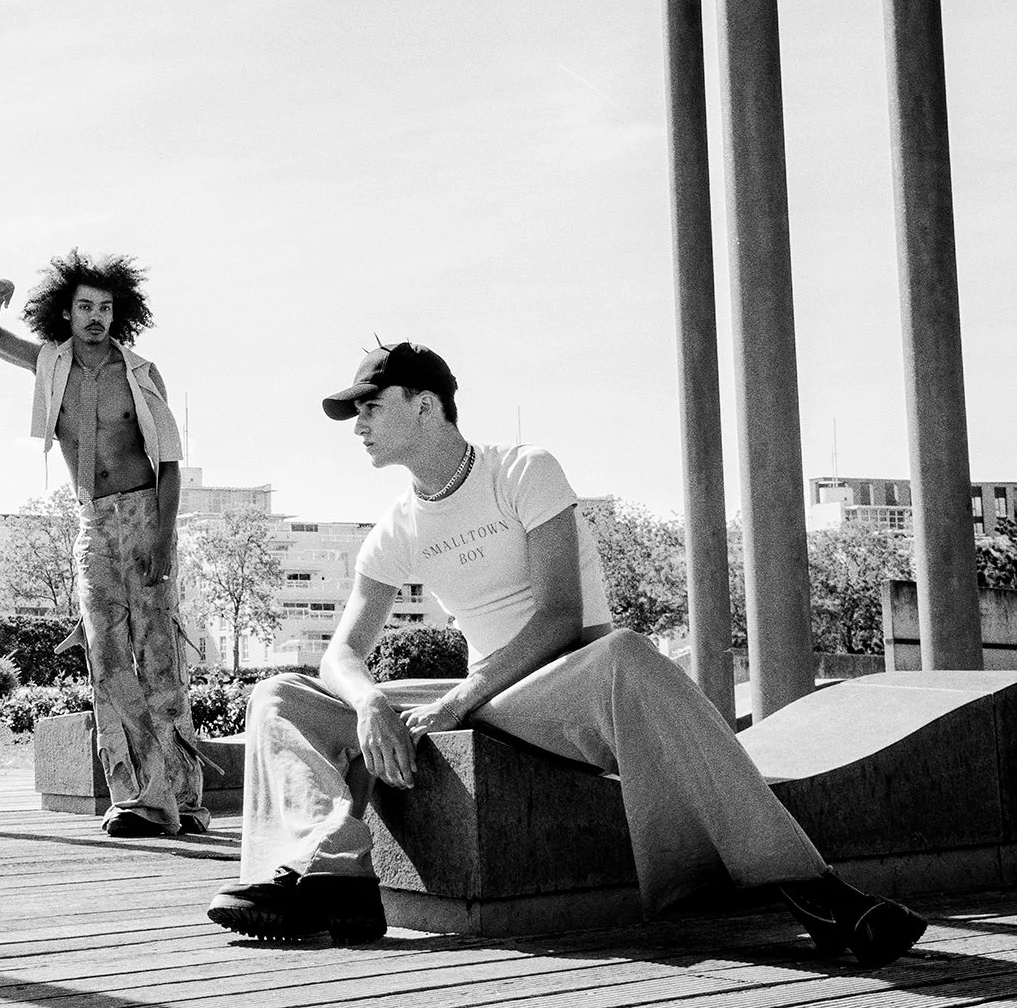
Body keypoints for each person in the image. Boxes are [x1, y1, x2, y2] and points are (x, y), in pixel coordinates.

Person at [204, 341, 926, 965]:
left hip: (563, 685)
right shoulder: (395, 526)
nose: (357, 425)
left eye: (370, 407)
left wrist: (455, 702)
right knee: (280, 697)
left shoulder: (521, 470)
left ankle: (814, 892)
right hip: (487, 696)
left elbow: (557, 616)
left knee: (625, 652)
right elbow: (341, 653)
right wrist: (366, 702)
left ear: (425, 407)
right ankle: (331, 880)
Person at [0, 251, 209, 838]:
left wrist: (163, 539)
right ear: (66, 311)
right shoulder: (49, 365)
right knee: (106, 660)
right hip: (91, 522)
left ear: (119, 313)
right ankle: (136, 800)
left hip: (145, 515)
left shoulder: (141, 372)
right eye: (85, 307)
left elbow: (173, 465)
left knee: (160, 658)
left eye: (106, 308)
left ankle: (183, 799)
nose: (95, 318)